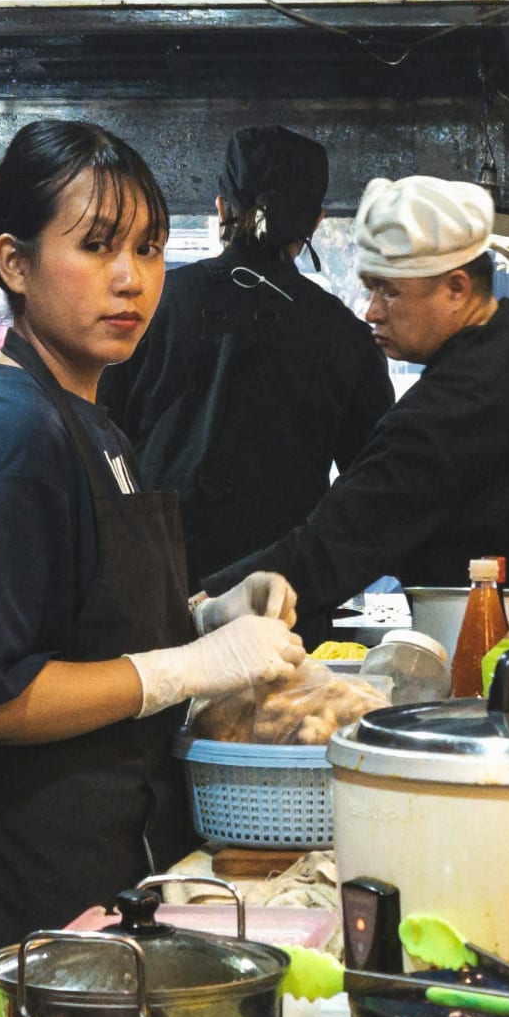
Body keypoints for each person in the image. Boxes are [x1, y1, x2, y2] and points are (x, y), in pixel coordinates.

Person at [0, 119, 305, 1014]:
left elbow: (88, 612)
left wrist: (207, 614)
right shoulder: (7, 437)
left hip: (114, 865)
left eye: (150, 249)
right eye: (95, 247)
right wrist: (186, 668)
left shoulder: (86, 413)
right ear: (12, 261)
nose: (131, 279)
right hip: (42, 894)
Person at [201, 174, 509, 622]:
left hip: (498, 649)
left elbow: (333, 546)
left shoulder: (447, 407)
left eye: (389, 292)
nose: (372, 312)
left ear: (456, 288)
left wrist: (201, 604)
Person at [98, 126, 393, 642]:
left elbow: (99, 444)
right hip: (283, 611)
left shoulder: (146, 308)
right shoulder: (345, 335)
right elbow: (369, 494)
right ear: (316, 223)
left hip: (153, 607)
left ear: (220, 208)